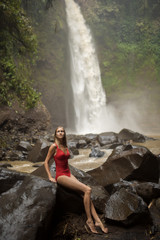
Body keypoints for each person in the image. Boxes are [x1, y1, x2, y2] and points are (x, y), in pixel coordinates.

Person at [44, 126, 108, 234]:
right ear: (55, 134)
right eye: (58, 131)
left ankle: (97, 221)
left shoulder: (65, 146)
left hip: (68, 173)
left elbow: (65, 162)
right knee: (88, 190)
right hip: (60, 176)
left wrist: (71, 175)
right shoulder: (53, 146)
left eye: (62, 131)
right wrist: (50, 176)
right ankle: (89, 220)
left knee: (85, 194)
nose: (60, 133)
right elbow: (45, 162)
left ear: (64, 133)